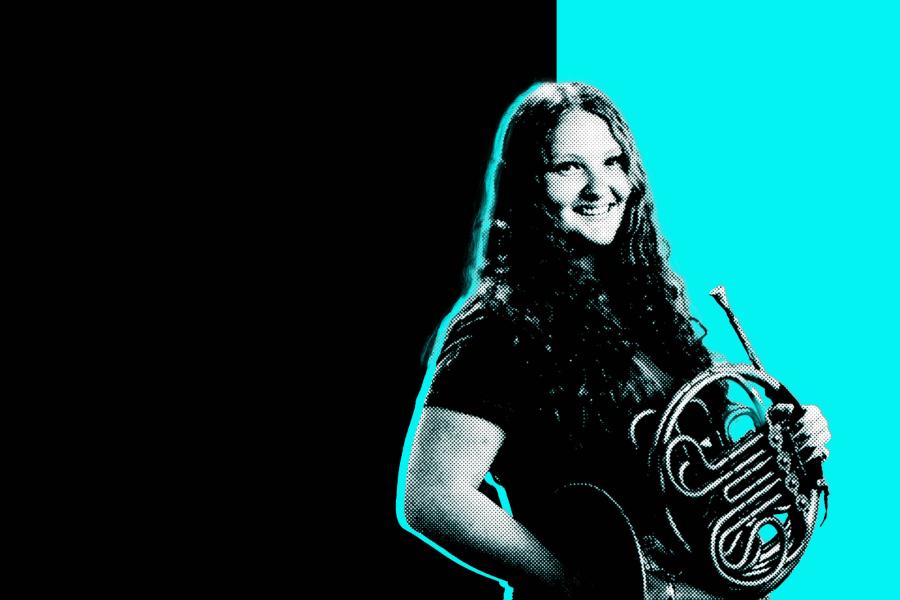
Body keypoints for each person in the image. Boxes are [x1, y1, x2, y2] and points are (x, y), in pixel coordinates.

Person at [398, 82, 831, 599]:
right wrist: (579, 586)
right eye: (569, 168)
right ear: (529, 186)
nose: (599, 188)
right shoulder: (501, 325)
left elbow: (703, 455)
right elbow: (433, 497)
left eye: (612, 162)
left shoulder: (648, 305)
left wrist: (786, 440)